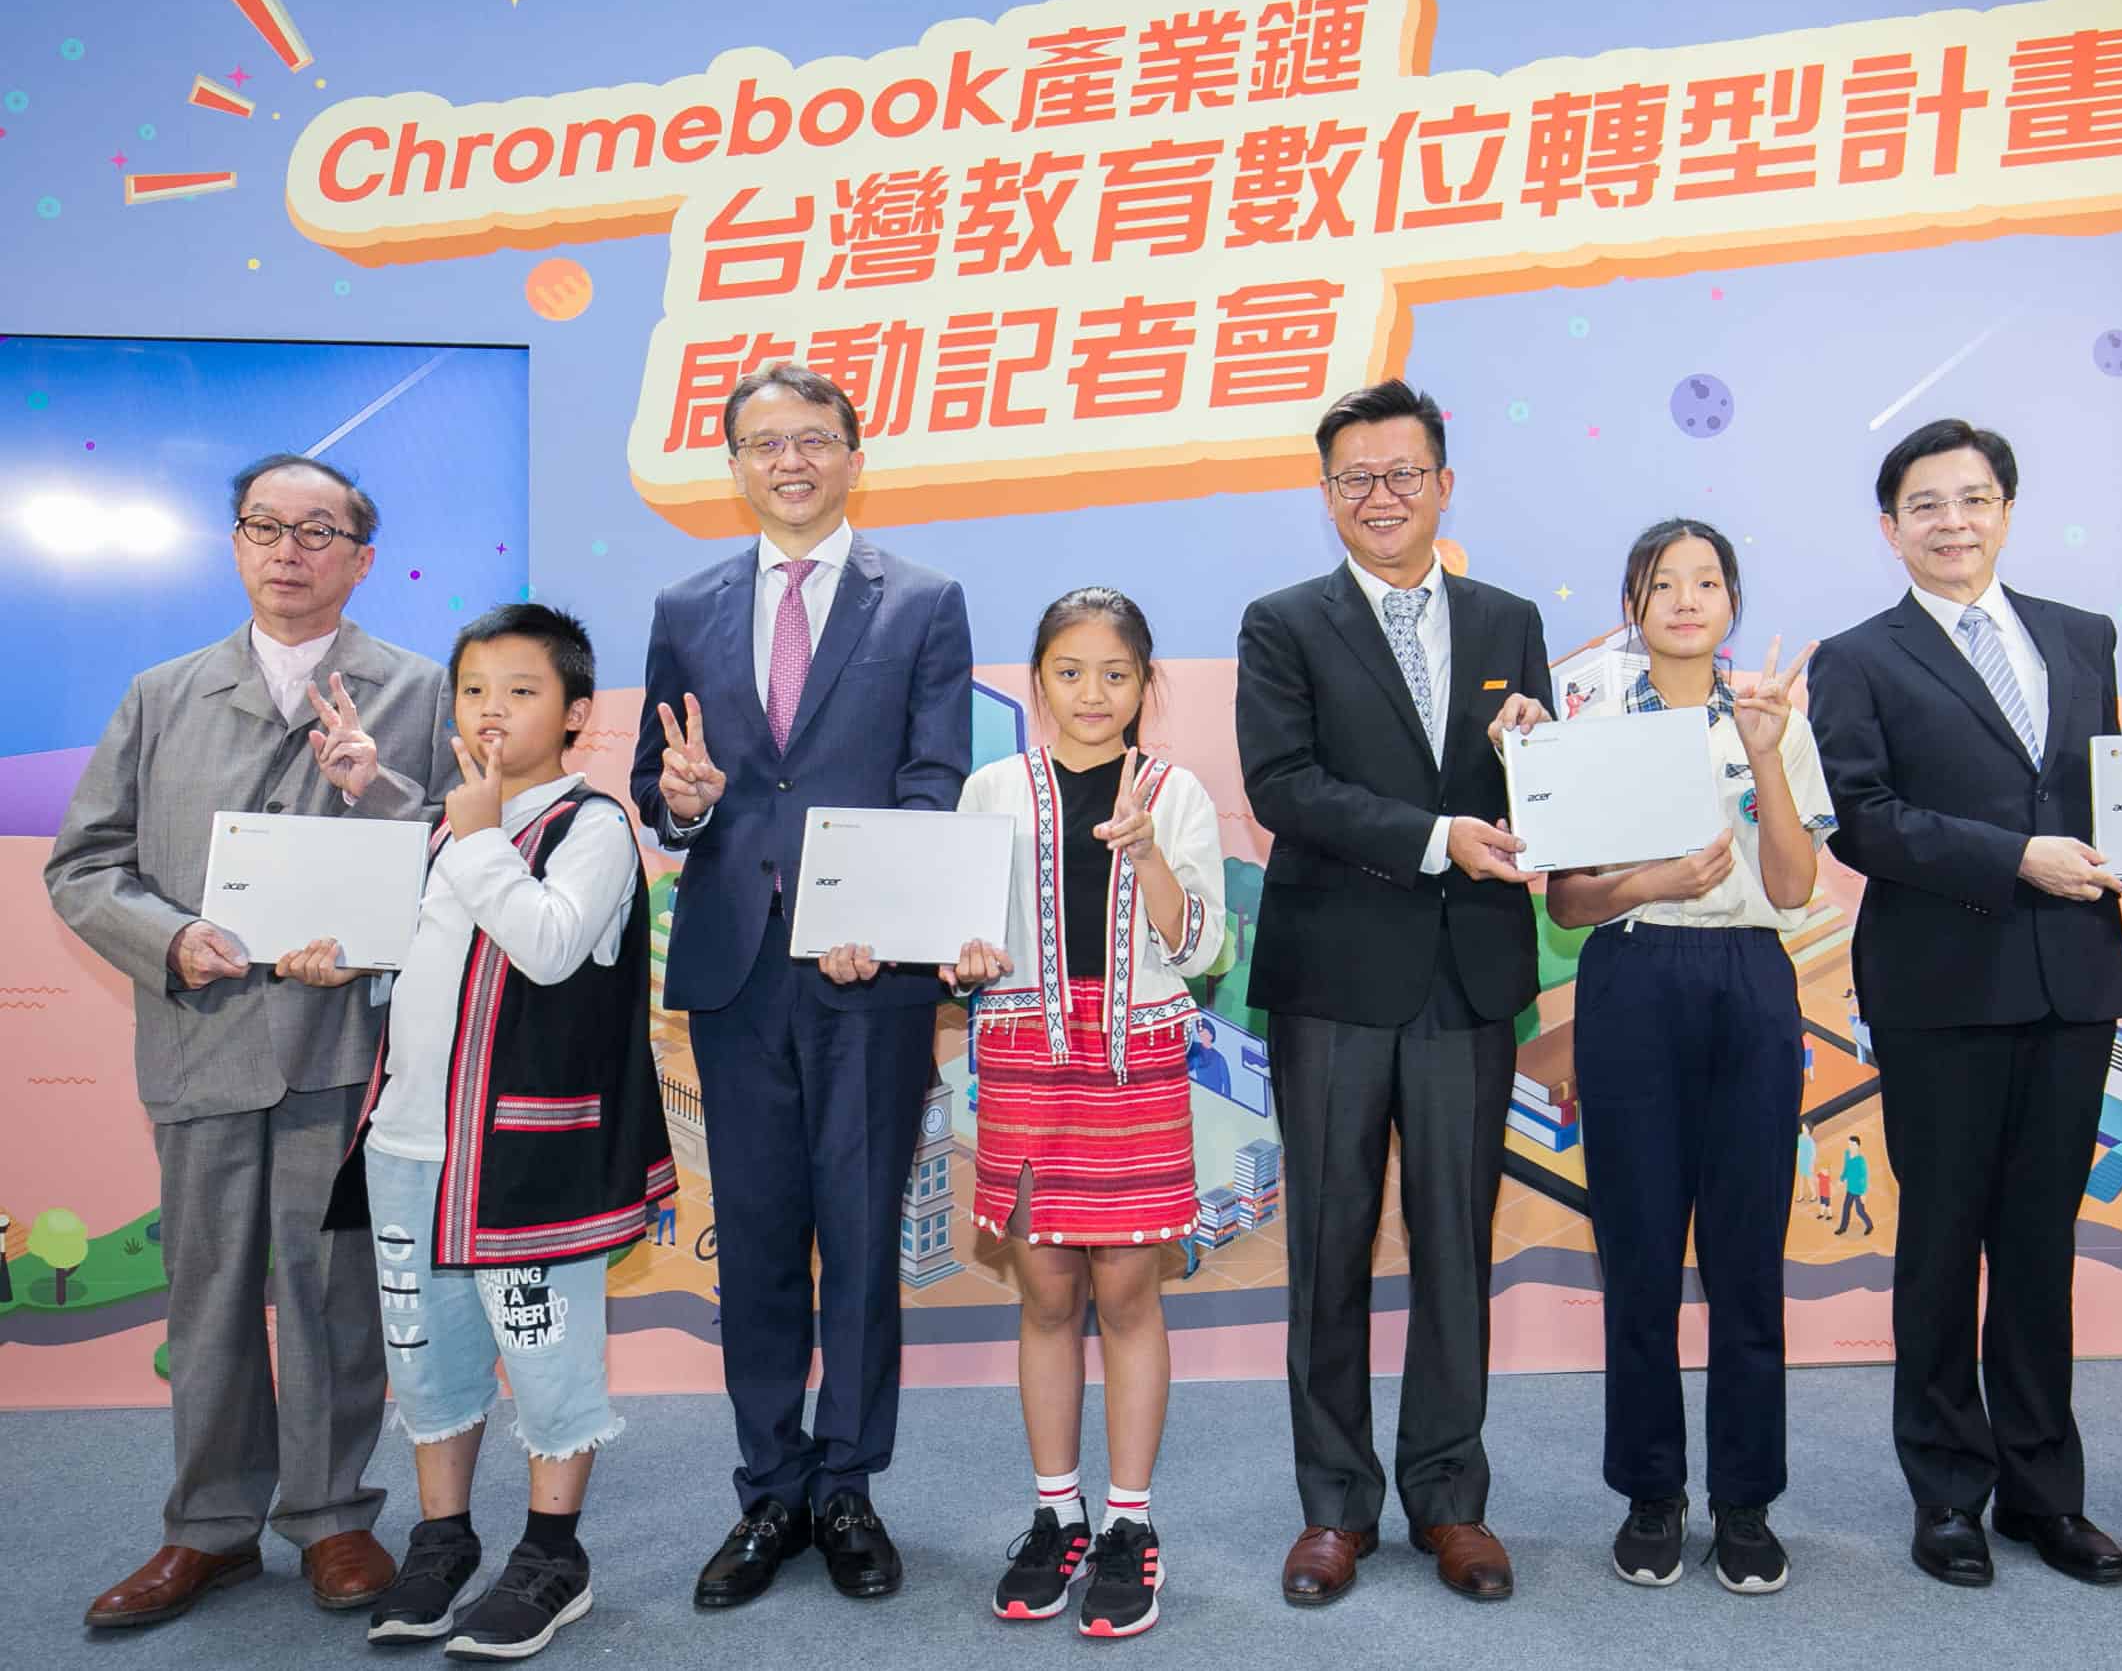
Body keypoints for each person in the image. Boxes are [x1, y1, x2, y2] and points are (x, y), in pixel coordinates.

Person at [46, 454, 452, 1630]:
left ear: (361, 560)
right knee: (211, 1293)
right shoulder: (162, 693)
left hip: (346, 1045)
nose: (288, 550)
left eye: (318, 531)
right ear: (235, 544)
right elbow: (84, 866)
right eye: (265, 526)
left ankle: (332, 1516)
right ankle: (210, 1527)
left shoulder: (420, 689)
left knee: (334, 1296)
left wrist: (378, 819)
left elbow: (455, 852)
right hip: (204, 1038)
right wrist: (171, 939)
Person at [1806, 418, 2122, 1591]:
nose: (1951, 521)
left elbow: (2113, 789)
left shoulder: (2079, 634)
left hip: (2072, 980)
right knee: (1939, 1244)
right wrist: (2014, 856)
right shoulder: (1855, 657)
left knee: (2036, 1246)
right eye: (1925, 504)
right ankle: (1947, 1494)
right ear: (1890, 527)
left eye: (1972, 499)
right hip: (1939, 986)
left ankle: (2044, 1496)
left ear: (2006, 511)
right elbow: (1862, 821)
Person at [629, 363, 974, 1608]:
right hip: (737, 970)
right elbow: (656, 783)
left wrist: (876, 912)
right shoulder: (686, 605)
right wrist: (677, 800)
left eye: (814, 438)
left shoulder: (923, 601)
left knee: (864, 1236)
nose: (791, 460)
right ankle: (770, 1486)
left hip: (867, 972)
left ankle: (847, 1485)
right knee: (760, 1236)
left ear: (852, 455)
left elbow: (933, 778)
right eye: (765, 443)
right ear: (734, 466)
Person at [287, 604, 671, 1660]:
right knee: (427, 1359)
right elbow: (422, 966)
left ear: (577, 713)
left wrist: (476, 834)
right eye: (472, 691)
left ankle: (553, 1554)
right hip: (407, 1142)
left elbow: (547, 944)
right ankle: (442, 1539)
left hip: (528, 1158)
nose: (491, 710)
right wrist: (342, 958)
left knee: (547, 1361)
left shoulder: (592, 827)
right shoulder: (443, 828)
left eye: (522, 690)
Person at [1235, 378, 1556, 1607]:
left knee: (1455, 1243)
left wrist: (1537, 758)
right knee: (1327, 1243)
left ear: (1443, 484)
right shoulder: (1282, 622)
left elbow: (1534, 798)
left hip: (1467, 979)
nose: (1382, 495)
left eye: (1403, 473)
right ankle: (1333, 1506)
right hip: (1333, 976)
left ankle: (1449, 1497)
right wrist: (1435, 838)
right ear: (1327, 496)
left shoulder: (1508, 620)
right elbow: (1282, 785)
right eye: (1356, 478)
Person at [1543, 519, 1832, 1594]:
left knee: (1748, 1259)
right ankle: (1651, 1493)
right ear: (1632, 603)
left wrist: (1764, 753)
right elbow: (1568, 902)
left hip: (1750, 980)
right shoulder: (1592, 725)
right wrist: (1648, 883)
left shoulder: (1773, 716)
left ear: (1731, 603)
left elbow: (1793, 887)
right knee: (1639, 1256)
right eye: (1662, 583)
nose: (1685, 599)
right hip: (1631, 977)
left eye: (1707, 581)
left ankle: (1745, 1503)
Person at [943, 588, 1226, 1639]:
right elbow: (963, 937)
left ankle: (1129, 1522)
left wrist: (1147, 852)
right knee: (1048, 1294)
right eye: (1070, 671)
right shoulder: (991, 789)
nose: (1092, 692)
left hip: (1135, 1063)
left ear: (1146, 684)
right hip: (1026, 1062)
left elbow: (1201, 946)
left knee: (1129, 1294)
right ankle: (1055, 1512)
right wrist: (966, 957)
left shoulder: (1177, 794)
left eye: (1115, 673)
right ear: (1038, 681)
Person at [1835, 1137, 1874, 1237]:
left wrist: (1863, 1194)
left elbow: (1864, 1178)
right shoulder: (1847, 1154)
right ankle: (1843, 1228)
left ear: (1857, 1146)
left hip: (1858, 1190)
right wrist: (1842, 1178)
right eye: (1849, 1144)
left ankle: (1870, 1225)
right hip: (1850, 1189)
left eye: (1852, 1144)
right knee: (1846, 1207)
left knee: (1860, 1211)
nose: (1850, 1146)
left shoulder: (1861, 1161)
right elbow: (1846, 1168)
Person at [1796, 1122, 1818, 1205]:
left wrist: (1811, 1165)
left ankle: (1814, 1195)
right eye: (1802, 1127)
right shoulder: (1800, 1137)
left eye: (1804, 1127)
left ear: (1809, 1130)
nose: (1803, 1128)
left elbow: (1813, 1154)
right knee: (1801, 1180)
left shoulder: (1810, 1141)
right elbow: (1798, 1149)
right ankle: (1801, 1196)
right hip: (1801, 1162)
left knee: (1809, 1180)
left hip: (1808, 1163)